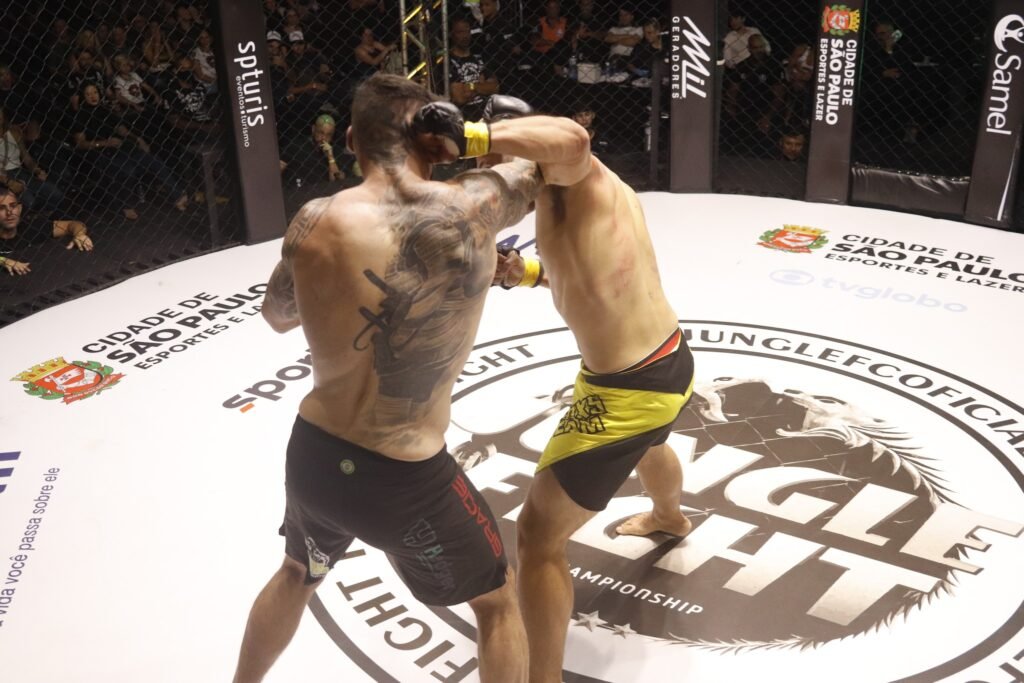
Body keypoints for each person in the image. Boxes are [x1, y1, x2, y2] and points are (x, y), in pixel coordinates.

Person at [231, 74, 553, 683]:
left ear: (351, 139)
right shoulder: (469, 207)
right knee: (497, 602)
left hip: (315, 456)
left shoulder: (313, 219)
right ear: (435, 138)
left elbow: (277, 315)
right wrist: (482, 136)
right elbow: (550, 158)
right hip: (403, 479)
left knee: (298, 572)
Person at [433, 94, 695, 682]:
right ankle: (670, 517)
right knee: (651, 442)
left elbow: (572, 138)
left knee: (537, 536)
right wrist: (526, 273)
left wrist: (473, 134)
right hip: (665, 362)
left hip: (630, 388)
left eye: (491, 159)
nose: (486, 176)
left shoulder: (577, 171)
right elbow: (592, 270)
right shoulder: (568, 193)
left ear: (521, 144)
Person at [0, 181, 93, 277]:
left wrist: (80, 234)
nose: (9, 212)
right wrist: (3, 260)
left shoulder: (32, 226)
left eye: (13, 206)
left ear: (19, 208)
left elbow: (74, 224)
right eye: (1, 208)